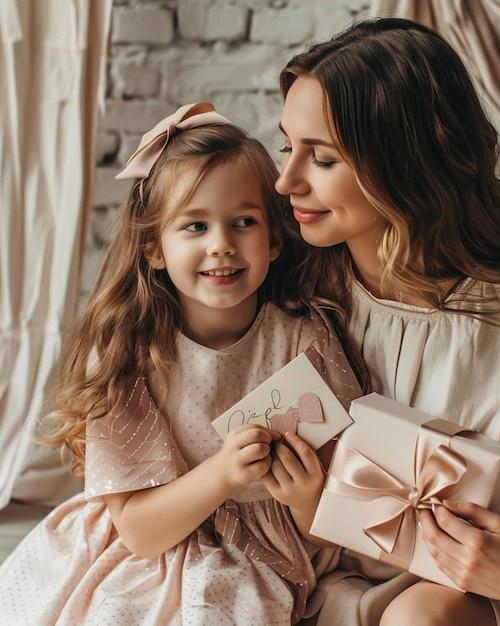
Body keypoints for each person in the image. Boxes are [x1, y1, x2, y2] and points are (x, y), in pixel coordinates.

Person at [274, 17, 500, 626]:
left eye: (322, 158)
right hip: (309, 580)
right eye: (287, 146)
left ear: (404, 163)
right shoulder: (288, 291)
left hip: (467, 605)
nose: (286, 182)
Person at [0, 103, 362, 625]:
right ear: (154, 248)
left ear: (275, 239)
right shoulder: (130, 351)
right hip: (145, 548)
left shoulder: (304, 338)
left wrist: (307, 500)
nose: (221, 245)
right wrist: (223, 473)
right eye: (195, 226)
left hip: (255, 553)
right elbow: (141, 534)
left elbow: (334, 519)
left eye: (244, 222)